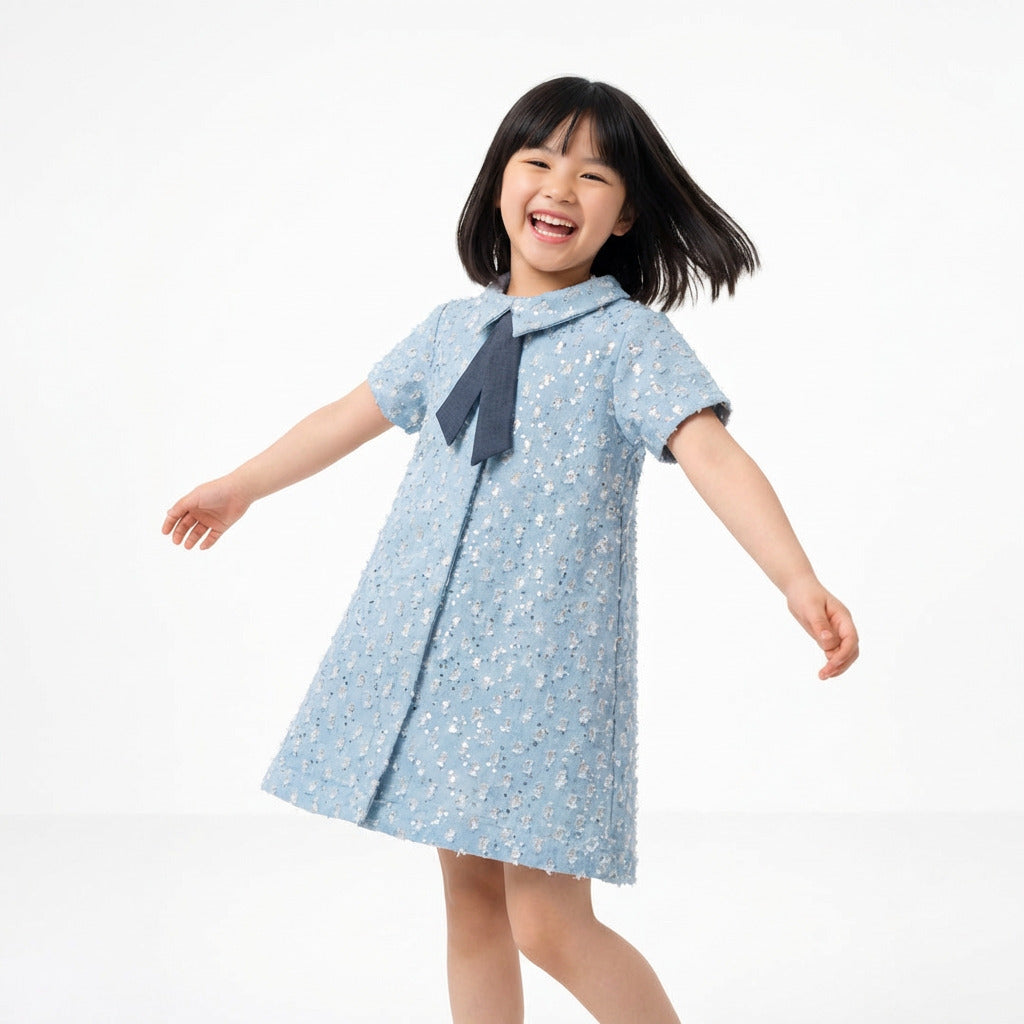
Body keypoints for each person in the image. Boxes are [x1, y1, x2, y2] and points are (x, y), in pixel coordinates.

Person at [162, 77, 859, 1024]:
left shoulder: (628, 344)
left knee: (549, 922)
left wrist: (796, 578)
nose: (560, 187)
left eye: (594, 175)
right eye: (539, 161)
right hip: (438, 661)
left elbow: (714, 456)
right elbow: (344, 417)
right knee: (472, 909)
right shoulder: (450, 330)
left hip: (543, 673)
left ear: (624, 216)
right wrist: (242, 484)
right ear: (501, 183)